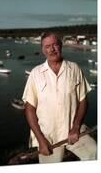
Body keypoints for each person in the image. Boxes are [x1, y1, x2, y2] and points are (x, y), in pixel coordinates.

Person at [22, 32, 97, 163]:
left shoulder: (74, 69)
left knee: (94, 153)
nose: (51, 49)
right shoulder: (35, 73)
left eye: (55, 45)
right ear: (43, 50)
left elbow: (83, 100)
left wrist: (76, 127)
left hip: (74, 132)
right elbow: (29, 108)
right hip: (48, 137)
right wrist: (40, 139)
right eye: (47, 46)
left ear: (61, 46)